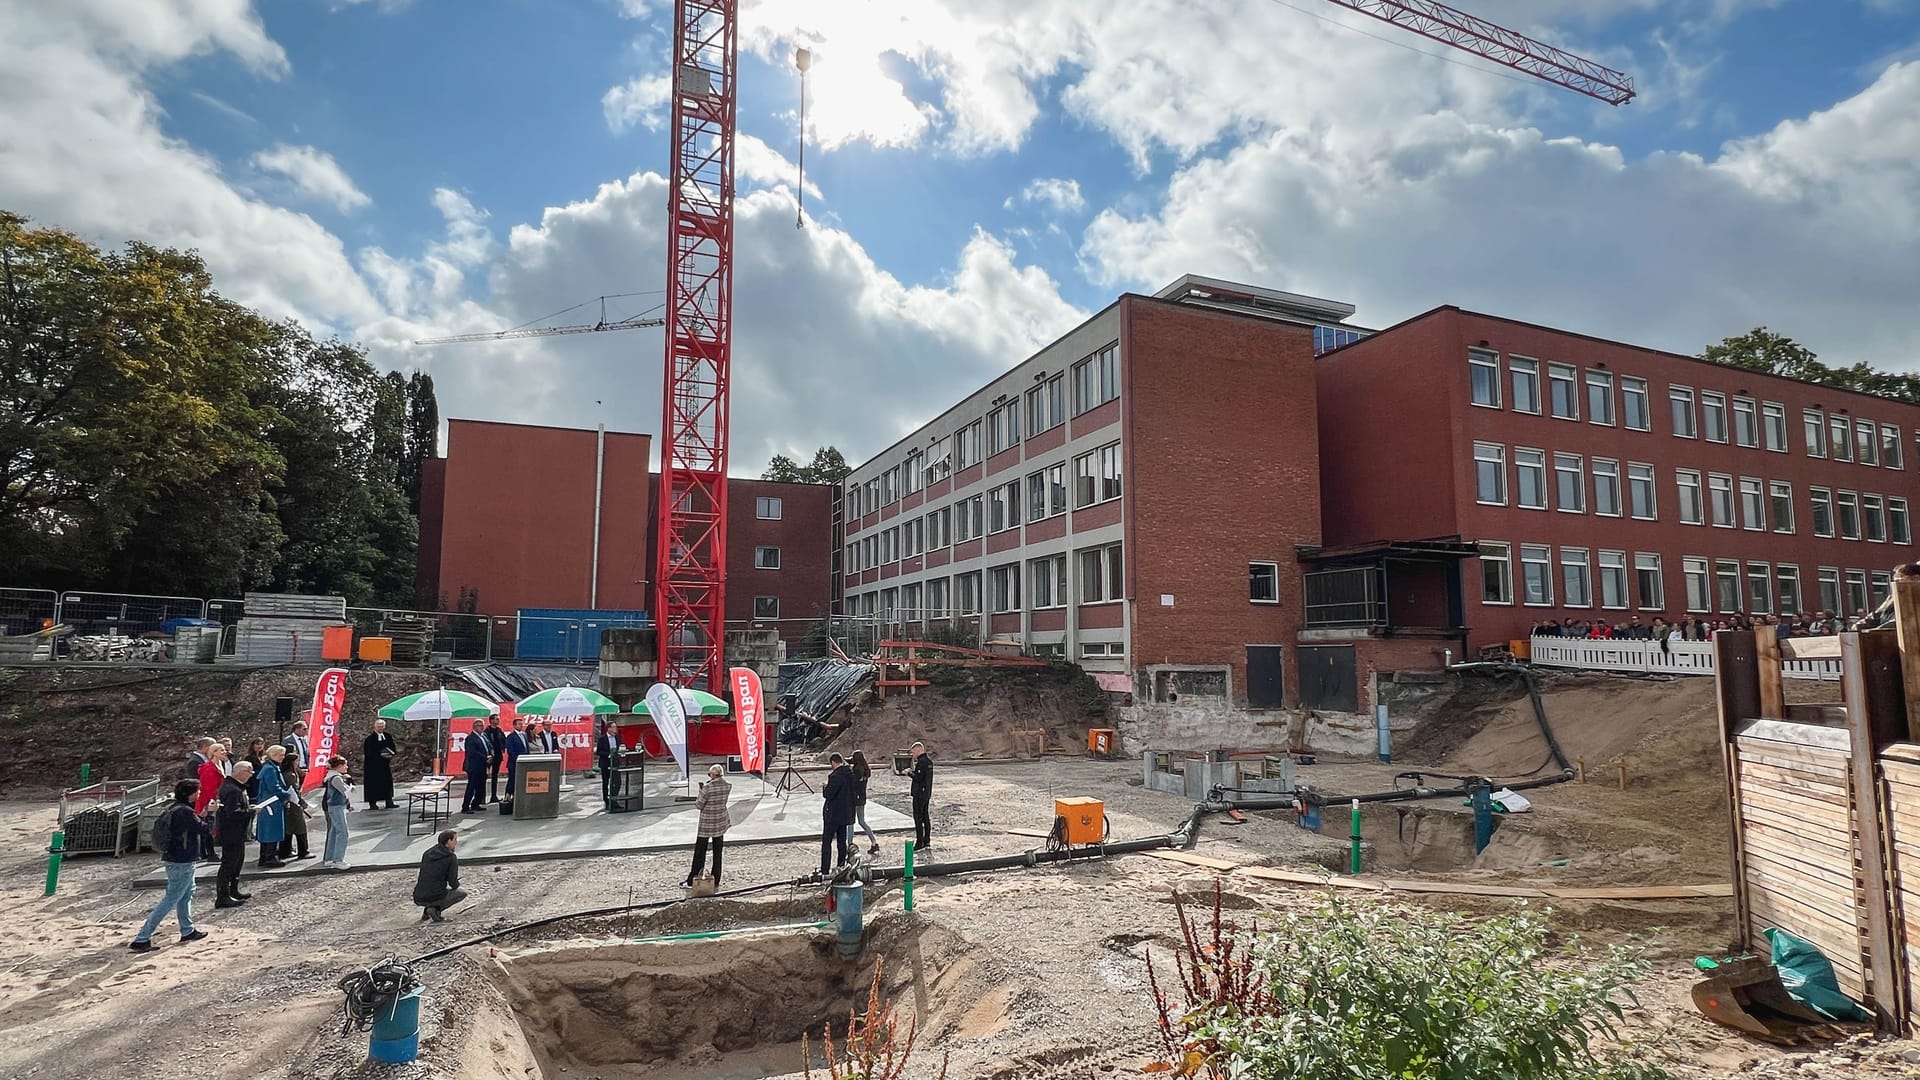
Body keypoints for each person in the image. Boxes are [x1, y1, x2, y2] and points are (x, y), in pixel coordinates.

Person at [130, 779, 212, 951]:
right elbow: (203, 829)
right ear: (189, 794)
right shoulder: (184, 812)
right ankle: (142, 938)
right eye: (197, 792)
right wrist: (210, 815)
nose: (199, 795)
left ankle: (187, 930)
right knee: (171, 898)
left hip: (176, 858)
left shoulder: (174, 808)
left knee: (186, 894)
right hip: (182, 859)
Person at [214, 761, 256, 908]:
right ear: (240, 772)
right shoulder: (232, 789)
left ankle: (233, 890)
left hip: (236, 832)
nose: (251, 775)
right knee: (229, 863)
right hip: (231, 832)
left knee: (237, 862)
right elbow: (233, 813)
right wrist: (251, 811)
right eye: (249, 772)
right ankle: (223, 896)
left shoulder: (236, 787)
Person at [686, 764, 731, 888]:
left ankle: (693, 879)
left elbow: (699, 805)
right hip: (720, 821)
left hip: (707, 823)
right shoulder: (727, 786)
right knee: (718, 852)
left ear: (713, 775)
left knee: (700, 852)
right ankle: (716, 879)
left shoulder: (707, 788)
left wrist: (700, 792)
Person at [412, 830, 466, 922]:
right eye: (455, 840)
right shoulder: (451, 857)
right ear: (448, 841)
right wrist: (456, 884)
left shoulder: (427, 853)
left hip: (419, 895)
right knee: (461, 893)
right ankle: (435, 909)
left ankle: (427, 910)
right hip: (436, 894)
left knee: (434, 889)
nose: (456, 842)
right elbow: (453, 882)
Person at [254, 746, 290, 868]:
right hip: (271, 802)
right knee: (272, 829)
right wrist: (286, 794)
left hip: (269, 802)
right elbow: (274, 787)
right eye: (281, 755)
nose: (283, 757)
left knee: (267, 829)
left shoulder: (270, 767)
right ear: (274, 755)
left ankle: (264, 855)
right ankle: (270, 857)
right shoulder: (270, 769)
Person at [820, 753, 854, 876]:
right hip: (845, 813)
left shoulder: (835, 777)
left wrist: (825, 788)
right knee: (841, 841)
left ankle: (825, 869)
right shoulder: (850, 774)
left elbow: (829, 794)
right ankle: (841, 865)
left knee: (827, 842)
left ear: (833, 762)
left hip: (833, 814)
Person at [277, 746, 312, 861]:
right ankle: (303, 851)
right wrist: (301, 801)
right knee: (300, 827)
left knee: (289, 828)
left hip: (290, 803)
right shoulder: (290, 775)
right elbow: (294, 790)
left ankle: (285, 850)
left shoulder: (287, 773)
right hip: (294, 803)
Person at [195, 744, 228, 863]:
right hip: (208, 800)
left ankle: (206, 852)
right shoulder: (209, 768)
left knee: (210, 826)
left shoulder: (220, 765)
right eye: (221, 750)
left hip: (216, 798)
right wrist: (211, 802)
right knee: (208, 826)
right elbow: (208, 787)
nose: (224, 752)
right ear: (214, 752)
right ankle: (209, 853)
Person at [319, 756, 353, 870]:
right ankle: (338, 860)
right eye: (345, 765)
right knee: (343, 832)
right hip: (337, 807)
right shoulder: (336, 778)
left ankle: (329, 858)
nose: (347, 767)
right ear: (339, 766)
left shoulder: (332, 776)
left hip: (335, 806)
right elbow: (345, 791)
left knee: (334, 832)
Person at [847, 750, 880, 855]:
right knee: (862, 822)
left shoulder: (856, 770)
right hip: (862, 798)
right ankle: (874, 842)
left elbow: (852, 784)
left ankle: (850, 845)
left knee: (850, 822)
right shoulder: (865, 770)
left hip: (854, 799)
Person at [362, 719, 398, 810]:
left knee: (387, 783)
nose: (380, 728)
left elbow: (392, 748)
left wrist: (390, 754)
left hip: (385, 765)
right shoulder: (370, 739)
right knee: (373, 785)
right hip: (373, 767)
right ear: (375, 727)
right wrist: (381, 754)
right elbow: (368, 753)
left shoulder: (388, 736)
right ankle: (373, 803)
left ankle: (389, 801)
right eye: (379, 726)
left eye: (382, 726)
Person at [908, 741, 934, 851]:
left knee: (918, 818)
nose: (913, 755)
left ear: (919, 750)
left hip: (919, 794)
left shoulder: (922, 762)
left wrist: (909, 773)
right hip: (926, 793)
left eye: (913, 752)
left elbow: (918, 778)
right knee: (925, 817)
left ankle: (920, 842)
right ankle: (927, 839)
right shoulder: (929, 762)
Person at [460, 724, 490, 814]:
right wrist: (485, 757)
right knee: (472, 786)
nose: (482, 727)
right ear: (474, 727)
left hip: (482, 765)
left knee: (481, 786)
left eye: (482, 725)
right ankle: (465, 806)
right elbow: (472, 753)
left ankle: (475, 804)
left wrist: (490, 755)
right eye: (479, 726)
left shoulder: (483, 736)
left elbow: (488, 746)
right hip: (473, 766)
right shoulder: (470, 738)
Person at [501, 718, 527, 809]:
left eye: (522, 724)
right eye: (519, 724)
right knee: (512, 780)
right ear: (514, 725)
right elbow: (511, 751)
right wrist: (518, 759)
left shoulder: (524, 735)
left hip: (524, 763)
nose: (521, 725)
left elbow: (526, 748)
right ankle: (508, 796)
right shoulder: (511, 737)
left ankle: (519, 796)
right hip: (514, 763)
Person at [596, 720, 621, 805]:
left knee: (617, 782)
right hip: (605, 763)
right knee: (606, 782)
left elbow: (620, 747)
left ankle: (614, 799)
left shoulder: (617, 737)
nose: (615, 729)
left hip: (615, 763)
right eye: (613, 727)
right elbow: (599, 752)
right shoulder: (602, 739)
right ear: (609, 729)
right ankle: (606, 801)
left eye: (615, 727)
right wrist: (608, 754)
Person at [483, 717, 507, 803]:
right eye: (496, 719)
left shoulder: (499, 730)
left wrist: (503, 748)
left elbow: (504, 740)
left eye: (498, 719)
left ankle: (493, 796)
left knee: (495, 776)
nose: (498, 721)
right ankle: (482, 797)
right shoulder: (487, 731)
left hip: (498, 756)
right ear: (491, 720)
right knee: (484, 776)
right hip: (489, 756)